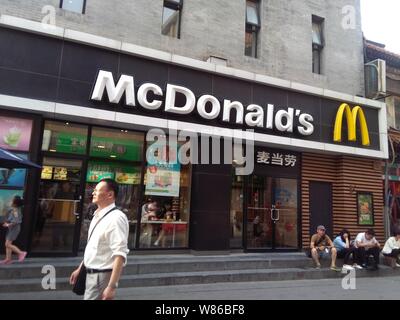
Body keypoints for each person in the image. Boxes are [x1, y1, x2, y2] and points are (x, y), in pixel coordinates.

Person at [69, 179, 129, 300]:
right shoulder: (98, 215)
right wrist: (81, 268)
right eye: (94, 190)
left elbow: (120, 254)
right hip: (90, 272)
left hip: (101, 276)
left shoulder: (116, 218)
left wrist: (112, 286)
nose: (93, 193)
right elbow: (93, 246)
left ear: (110, 194)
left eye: (97, 190)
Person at [0, 196, 27, 264]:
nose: (10, 201)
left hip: (14, 229)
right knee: (8, 244)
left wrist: (7, 225)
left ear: (15, 204)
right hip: (12, 229)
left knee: (7, 244)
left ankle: (21, 253)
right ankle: (8, 259)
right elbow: (10, 219)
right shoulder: (13, 209)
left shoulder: (15, 210)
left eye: (12, 201)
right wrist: (7, 222)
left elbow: (16, 221)